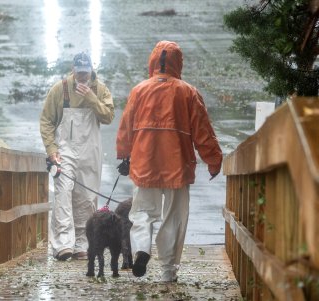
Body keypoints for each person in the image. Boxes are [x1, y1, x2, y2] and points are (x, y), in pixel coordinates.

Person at [116, 41, 222, 282]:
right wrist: (214, 160)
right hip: (177, 165)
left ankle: (142, 248)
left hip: (144, 162)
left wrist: (124, 154)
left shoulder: (139, 90)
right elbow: (203, 132)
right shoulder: (188, 92)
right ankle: (167, 271)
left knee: (142, 211)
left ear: (153, 61)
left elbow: (125, 127)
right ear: (178, 63)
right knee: (173, 217)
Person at [40, 52, 114, 261]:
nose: (83, 78)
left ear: (91, 70)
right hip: (65, 150)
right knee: (63, 192)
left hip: (90, 150)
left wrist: (92, 99)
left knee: (87, 198)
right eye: (79, 73)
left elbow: (108, 116)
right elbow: (46, 120)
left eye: (86, 73)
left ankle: (82, 243)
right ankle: (63, 244)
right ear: (73, 70)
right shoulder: (60, 89)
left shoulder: (100, 89)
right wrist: (51, 149)